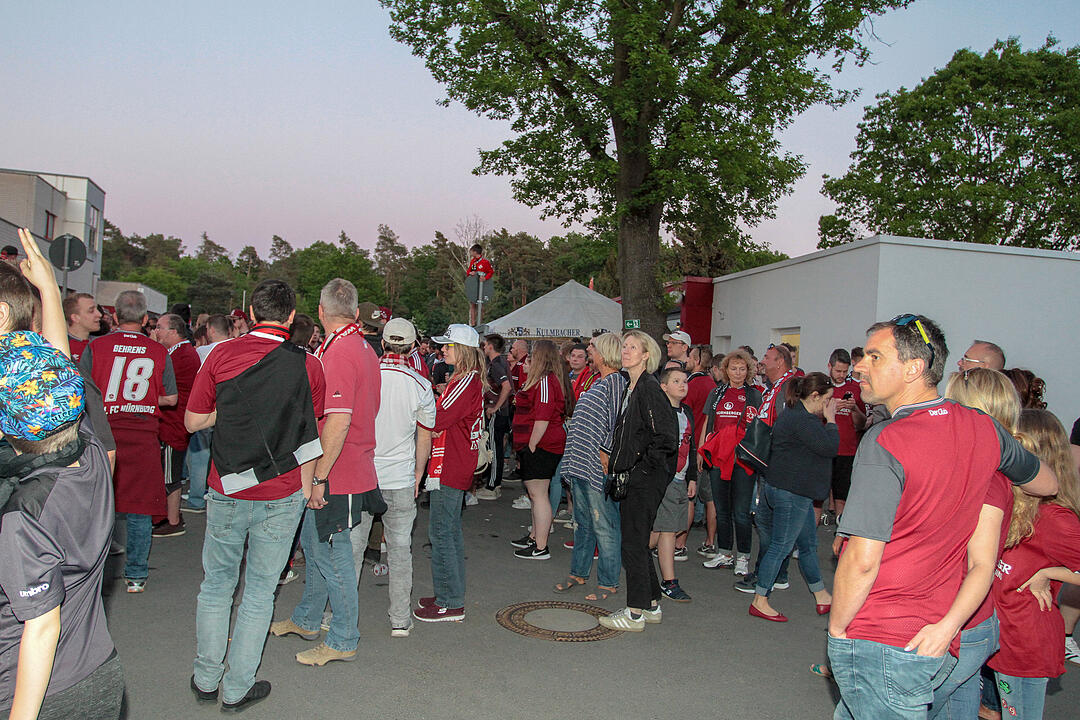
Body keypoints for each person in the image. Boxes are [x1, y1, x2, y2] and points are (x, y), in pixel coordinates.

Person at [828, 314, 1057, 720]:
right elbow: (1046, 482)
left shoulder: (886, 440)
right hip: (943, 631)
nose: (860, 365)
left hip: (884, 635)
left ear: (914, 368)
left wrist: (839, 630)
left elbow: (863, 559)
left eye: (875, 357)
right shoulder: (984, 428)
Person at [0, 228, 124, 719]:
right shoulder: (87, 452)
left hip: (37, 691)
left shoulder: (24, 515)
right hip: (94, 667)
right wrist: (49, 290)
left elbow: (41, 626)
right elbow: (56, 372)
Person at [187, 279, 325, 712]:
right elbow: (312, 432)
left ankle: (206, 676)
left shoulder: (220, 355)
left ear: (249, 310)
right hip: (281, 492)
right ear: (289, 316)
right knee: (260, 592)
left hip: (226, 487)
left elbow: (192, 421)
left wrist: (225, 415)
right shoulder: (309, 365)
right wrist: (308, 486)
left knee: (216, 587)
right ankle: (237, 686)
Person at [270, 278, 381, 667]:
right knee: (317, 549)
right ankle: (307, 618)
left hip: (339, 472)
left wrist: (318, 478)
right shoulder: (362, 347)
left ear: (320, 311)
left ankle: (344, 637)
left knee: (332, 559)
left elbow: (337, 421)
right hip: (348, 466)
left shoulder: (340, 352)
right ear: (353, 310)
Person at [926, 368, 1021, 719]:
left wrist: (946, 627)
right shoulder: (977, 468)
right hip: (967, 622)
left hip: (963, 624)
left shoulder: (988, 479)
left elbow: (981, 564)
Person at [79, 290, 178, 593]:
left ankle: (92, 571)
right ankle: (136, 574)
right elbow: (171, 397)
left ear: (116, 317)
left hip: (104, 433)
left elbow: (80, 390)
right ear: (146, 319)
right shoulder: (158, 351)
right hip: (143, 434)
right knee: (140, 509)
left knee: (98, 505)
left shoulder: (97, 346)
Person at [989, 409, 1080, 720]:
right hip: (1004, 634)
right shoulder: (1016, 499)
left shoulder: (1057, 519)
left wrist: (1049, 573)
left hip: (1026, 644)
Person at [598, 330, 678, 632]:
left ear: (647, 355)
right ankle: (652, 603)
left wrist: (640, 472)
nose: (627, 351)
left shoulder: (648, 388)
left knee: (632, 543)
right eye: (625, 346)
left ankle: (634, 613)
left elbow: (666, 438)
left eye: (634, 347)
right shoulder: (632, 387)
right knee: (637, 542)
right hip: (635, 476)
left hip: (643, 480)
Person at [745, 372, 837, 622]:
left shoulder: (792, 414)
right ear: (815, 396)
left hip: (788, 490)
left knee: (807, 545)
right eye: (827, 399)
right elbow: (830, 447)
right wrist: (831, 421)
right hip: (792, 492)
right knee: (781, 547)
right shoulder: (804, 420)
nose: (829, 405)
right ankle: (760, 599)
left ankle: (821, 594)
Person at [413, 324, 484, 623]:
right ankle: (448, 592)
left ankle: (450, 601)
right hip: (453, 462)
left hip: (451, 465)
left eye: (448, 346)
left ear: (463, 351)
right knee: (448, 531)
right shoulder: (465, 379)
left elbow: (438, 417)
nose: (442, 350)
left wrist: (416, 401)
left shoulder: (466, 381)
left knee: (441, 532)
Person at [372, 318, 435, 636]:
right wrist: (419, 474)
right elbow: (425, 437)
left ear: (383, 343)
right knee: (399, 549)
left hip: (364, 474)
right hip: (400, 476)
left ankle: (341, 617)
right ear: (412, 349)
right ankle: (400, 619)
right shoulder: (422, 385)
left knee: (352, 550)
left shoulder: (366, 376)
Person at [555, 333, 626, 600]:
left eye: (593, 347)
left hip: (597, 467)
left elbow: (619, 423)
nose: (588, 351)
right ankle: (579, 572)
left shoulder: (617, 383)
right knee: (583, 523)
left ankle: (608, 581)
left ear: (604, 352)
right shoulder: (601, 381)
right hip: (581, 464)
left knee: (605, 526)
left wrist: (605, 454)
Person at [699, 350, 762, 575]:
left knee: (741, 512)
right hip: (718, 457)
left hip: (743, 460)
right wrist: (701, 452)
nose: (737, 373)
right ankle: (724, 553)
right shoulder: (717, 393)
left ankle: (743, 557)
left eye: (742, 369)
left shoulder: (755, 395)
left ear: (748, 371)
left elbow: (761, 429)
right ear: (725, 370)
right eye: (733, 368)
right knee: (721, 510)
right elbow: (708, 423)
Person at [509, 340, 571, 560]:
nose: (528, 360)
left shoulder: (545, 381)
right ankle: (535, 536)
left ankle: (541, 545)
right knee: (536, 495)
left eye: (533, 356)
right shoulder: (540, 380)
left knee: (539, 494)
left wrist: (532, 444)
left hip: (542, 444)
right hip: (535, 443)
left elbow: (543, 416)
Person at [649, 366, 698, 602]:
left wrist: (692, 478)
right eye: (676, 381)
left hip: (680, 478)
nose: (682, 385)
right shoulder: (659, 412)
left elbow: (692, 445)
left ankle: (633, 552)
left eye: (685, 381)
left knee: (666, 529)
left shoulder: (686, 412)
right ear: (664, 386)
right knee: (667, 530)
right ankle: (669, 582)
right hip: (663, 478)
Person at [151, 313, 200, 538]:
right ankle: (167, 516)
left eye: (160, 327)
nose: (156, 331)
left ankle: (172, 519)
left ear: (173, 331)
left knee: (170, 475)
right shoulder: (179, 353)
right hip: (172, 422)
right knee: (166, 471)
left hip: (174, 423)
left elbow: (160, 381)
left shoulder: (182, 355)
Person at [824, 348, 866, 524]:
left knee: (842, 496)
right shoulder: (822, 387)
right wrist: (830, 409)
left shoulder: (855, 389)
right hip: (824, 448)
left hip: (847, 450)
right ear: (829, 367)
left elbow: (861, 423)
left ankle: (840, 536)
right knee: (817, 498)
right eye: (838, 371)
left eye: (845, 371)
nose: (841, 375)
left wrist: (854, 408)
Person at [476, 333, 512, 499]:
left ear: (490, 346)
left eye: (485, 345)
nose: (483, 348)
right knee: (493, 447)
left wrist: (496, 407)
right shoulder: (499, 362)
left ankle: (493, 485)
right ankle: (492, 482)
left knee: (494, 448)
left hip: (496, 412)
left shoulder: (497, 364)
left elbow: (507, 387)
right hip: (497, 410)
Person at [63, 292, 101, 363]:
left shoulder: (101, 344)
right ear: (75, 318)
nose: (99, 314)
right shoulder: (62, 346)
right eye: (91, 311)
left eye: (97, 309)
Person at [466, 243, 493, 326]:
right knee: (472, 303)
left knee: (481, 304)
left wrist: (485, 278)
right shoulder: (473, 262)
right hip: (474, 286)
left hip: (482, 286)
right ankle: (473, 323)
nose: (470, 253)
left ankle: (479, 322)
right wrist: (471, 273)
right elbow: (468, 272)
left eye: (471, 251)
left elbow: (490, 272)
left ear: (475, 252)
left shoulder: (485, 262)